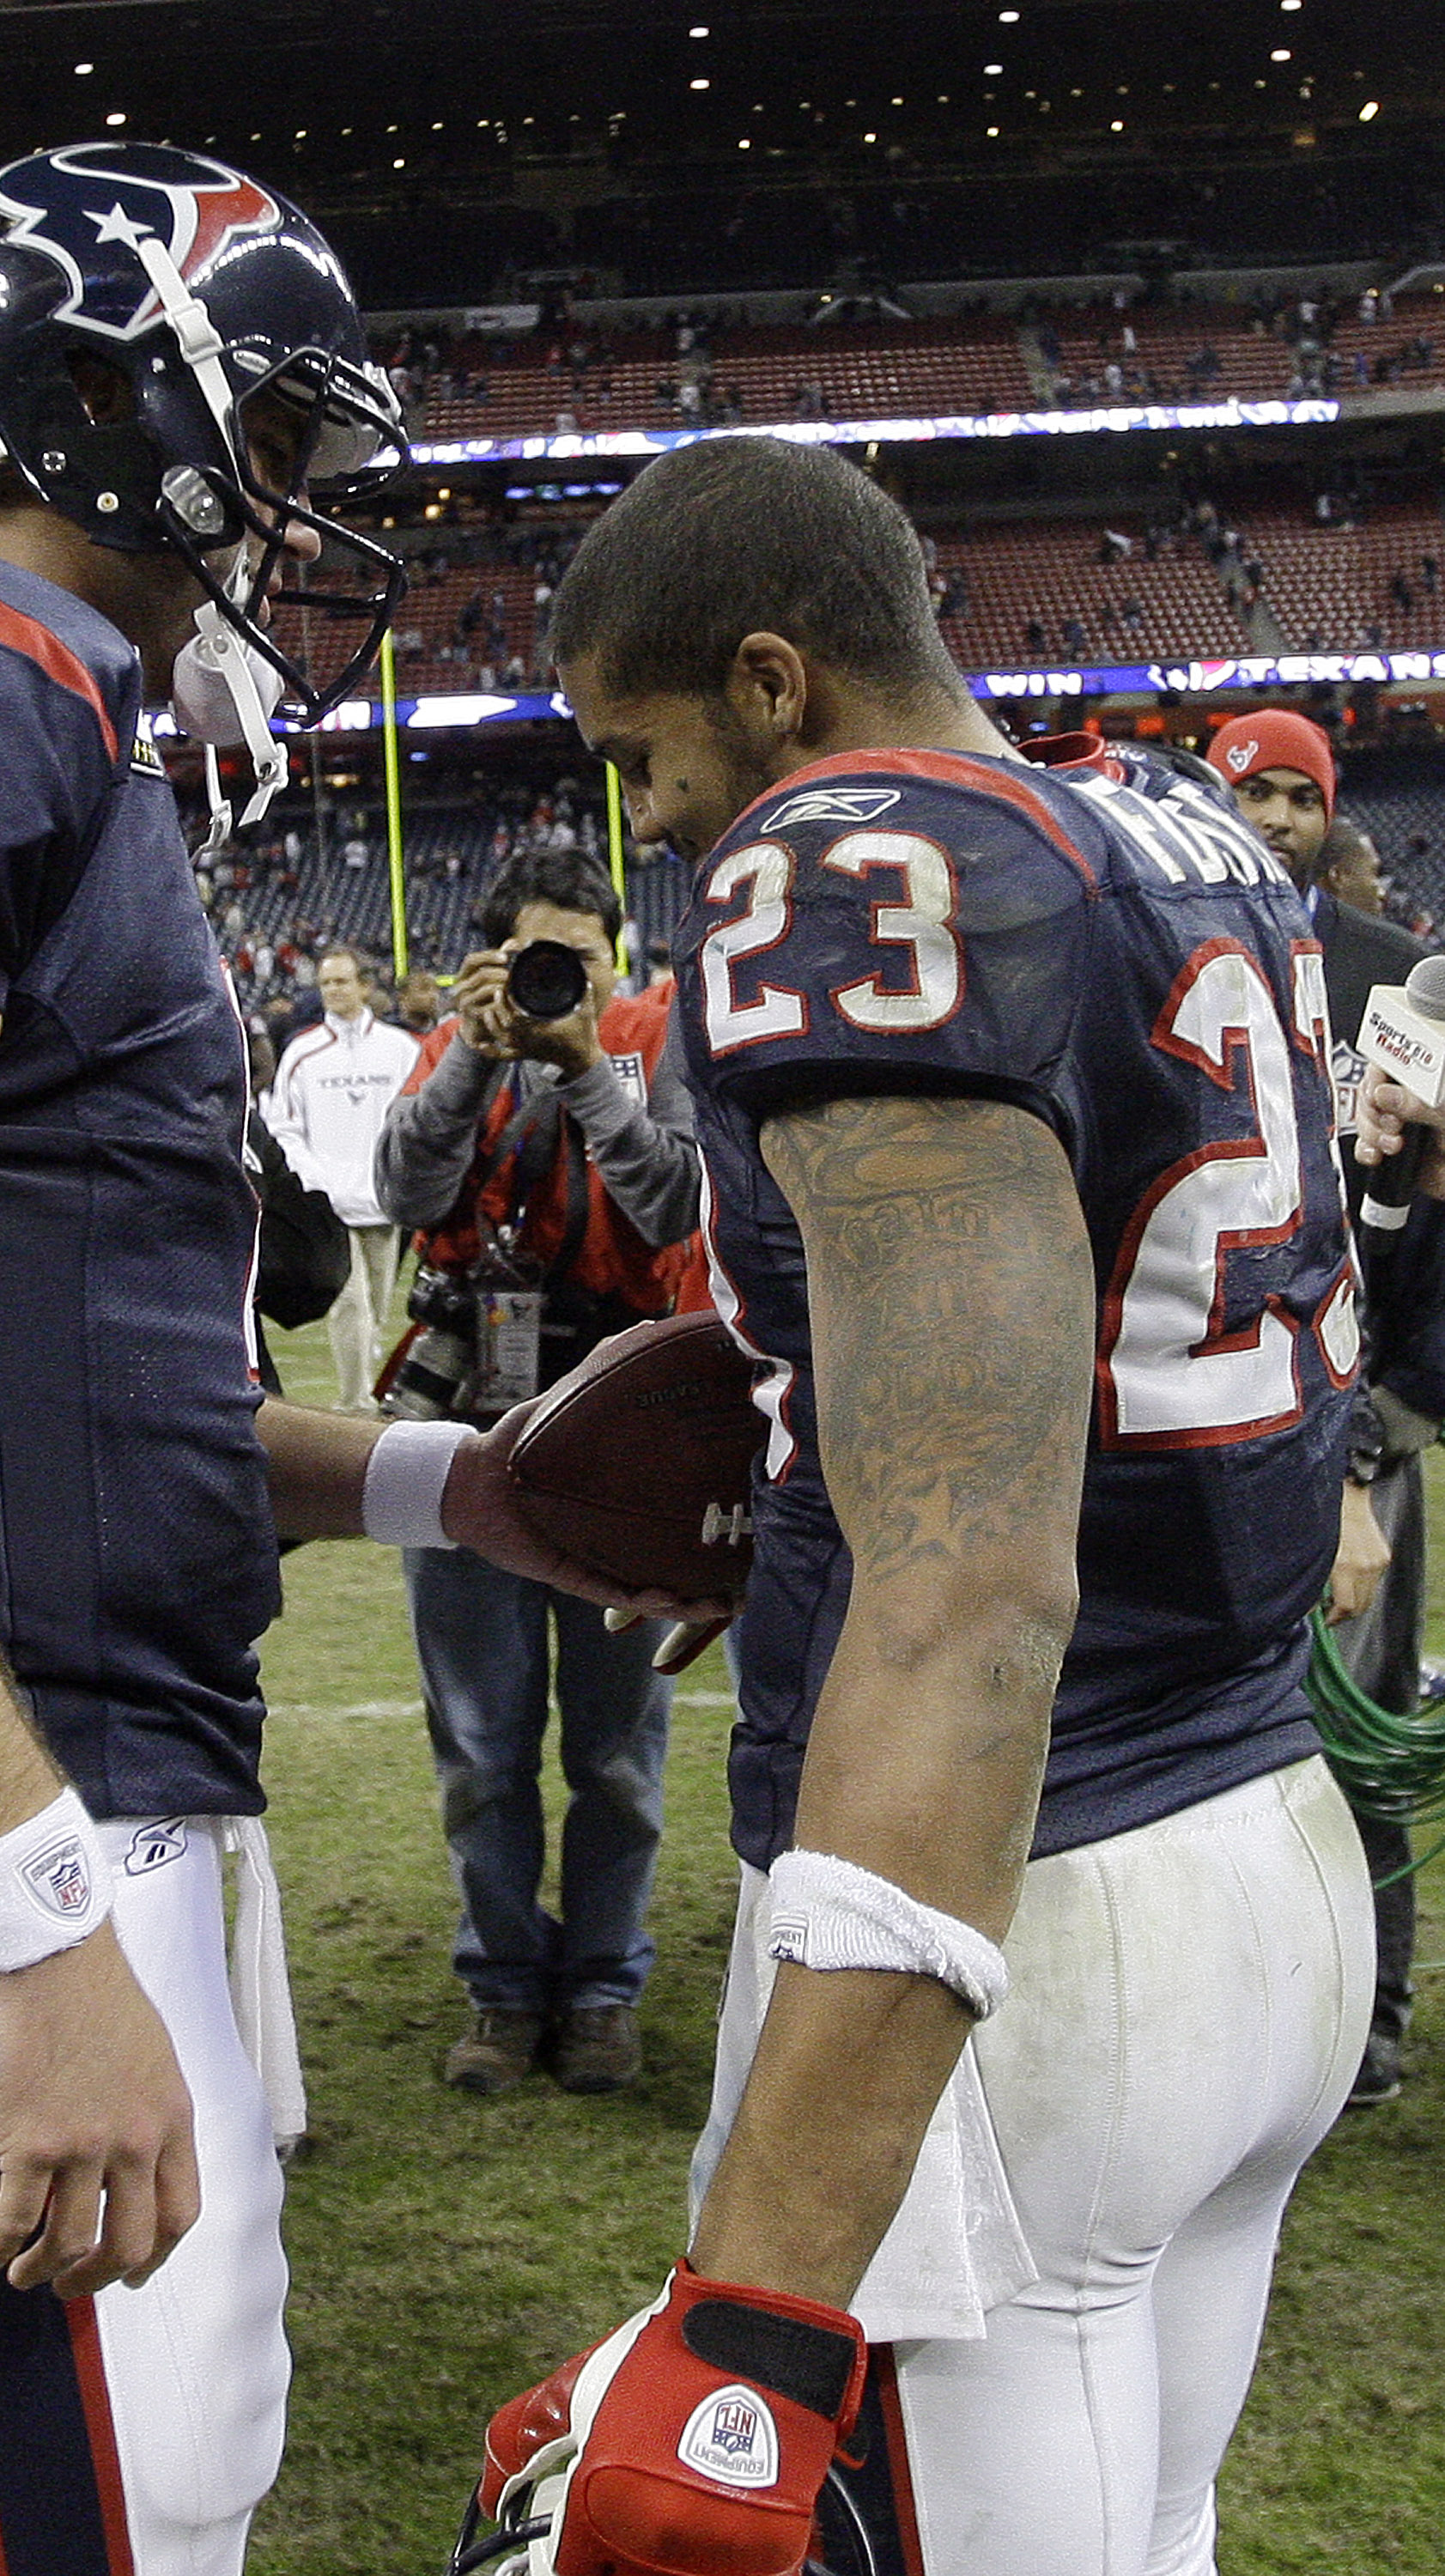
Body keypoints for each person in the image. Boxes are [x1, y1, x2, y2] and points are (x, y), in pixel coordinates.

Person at [0, 142, 656, 2576]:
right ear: (120, 398)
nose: (292, 510)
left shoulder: (51, 713)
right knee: (52, 2519)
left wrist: (452, 1487)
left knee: (152, 2471)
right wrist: (20, 1914)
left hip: (43, 1777)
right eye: (276, 438)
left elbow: (76, 1394)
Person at [470, 436, 1370, 2576]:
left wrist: (754, 2302)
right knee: (1159, 2520)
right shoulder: (1169, 822)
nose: (650, 815)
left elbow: (966, 1574)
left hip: (1023, 1890)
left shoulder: (848, 857)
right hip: (1262, 1832)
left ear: (774, 681)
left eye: (648, 749)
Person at [374, 850, 701, 2096]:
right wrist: (475, 1052)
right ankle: (503, 1987)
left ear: (618, 959)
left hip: (622, 1430)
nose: (564, 982)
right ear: (489, 960)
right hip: (464, 1428)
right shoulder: (454, 1044)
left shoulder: (649, 1042)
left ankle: (604, 1985)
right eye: (533, 960)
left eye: (585, 956)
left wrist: (581, 1072)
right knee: (476, 1740)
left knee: (618, 1748)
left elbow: (671, 1207)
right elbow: (402, 1187)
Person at [1207, 709, 1445, 2110]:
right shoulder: (1172, 953)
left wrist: (1375, 1431)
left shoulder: (1397, 980)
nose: (1281, 816)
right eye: (1257, 790)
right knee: (1220, 1733)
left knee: (1353, 1728)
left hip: (1361, 1415)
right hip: (1212, 1410)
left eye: (1304, 795)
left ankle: (1373, 2017)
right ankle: (1249, 2008)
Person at [267, 945, 422, 1412]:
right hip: (330, 1202)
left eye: (341, 981)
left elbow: (420, 1117)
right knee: (348, 1302)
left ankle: (363, 1391)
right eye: (326, 983)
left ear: (364, 987)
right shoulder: (302, 1052)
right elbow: (283, 1126)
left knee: (375, 1307)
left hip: (384, 1199)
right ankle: (356, 1404)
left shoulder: (401, 1049)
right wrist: (315, 1179)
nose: (333, 991)